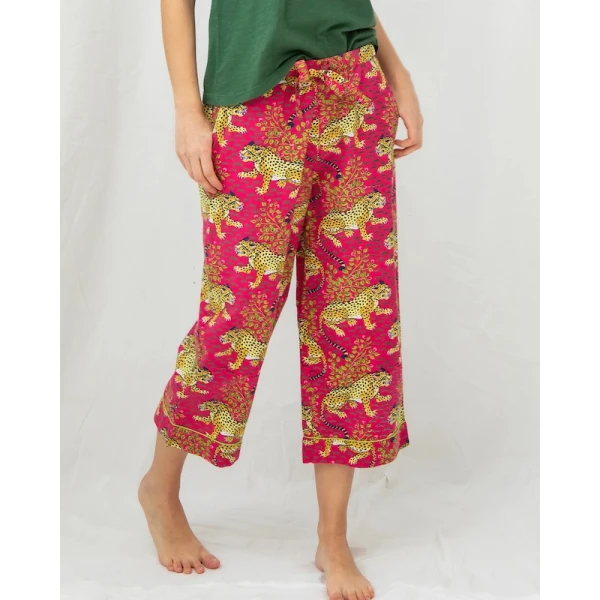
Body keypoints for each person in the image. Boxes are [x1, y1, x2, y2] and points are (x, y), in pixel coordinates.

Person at [139, 1, 423, 598]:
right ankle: (160, 490)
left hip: (354, 91)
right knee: (235, 315)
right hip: (251, 103)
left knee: (356, 322)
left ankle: (333, 538)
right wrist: (187, 108)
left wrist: (397, 73)